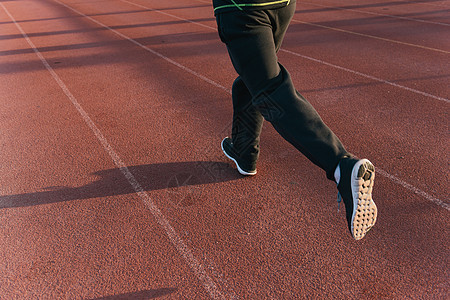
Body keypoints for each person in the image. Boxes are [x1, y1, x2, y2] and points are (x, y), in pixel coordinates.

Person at [213, 0, 378, 240]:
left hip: (241, 9)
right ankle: (244, 151)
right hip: (281, 5)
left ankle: (341, 165)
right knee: (255, 78)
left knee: (270, 91)